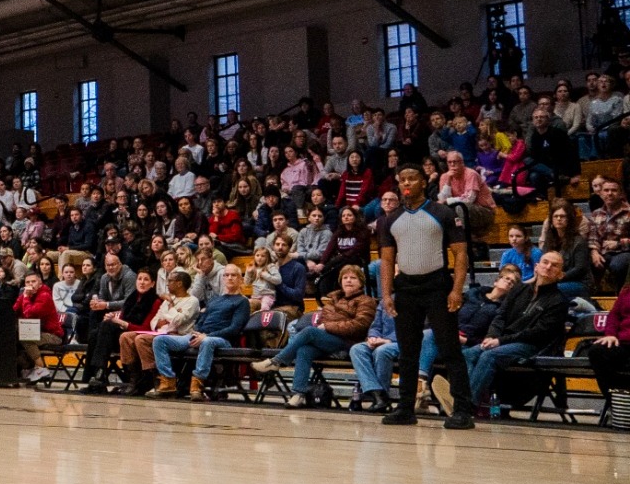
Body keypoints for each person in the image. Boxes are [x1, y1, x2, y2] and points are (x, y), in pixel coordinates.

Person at [376, 165, 473, 428]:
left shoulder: (442, 212)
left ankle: (462, 410)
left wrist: (457, 289)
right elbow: (386, 260)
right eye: (402, 179)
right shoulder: (389, 219)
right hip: (405, 288)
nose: (407, 183)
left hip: (438, 286)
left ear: (423, 182)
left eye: (412, 179)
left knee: (450, 348)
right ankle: (405, 408)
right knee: (407, 351)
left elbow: (460, 254)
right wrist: (386, 294)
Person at [457, 252, 568, 415]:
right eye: (545, 262)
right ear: (536, 267)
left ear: (561, 274)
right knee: (468, 354)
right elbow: (500, 316)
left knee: (489, 356)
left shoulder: (559, 301)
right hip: (504, 341)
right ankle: (469, 399)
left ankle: (467, 406)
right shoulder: (519, 290)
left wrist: (500, 341)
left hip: (532, 346)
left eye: (555, 265)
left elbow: (538, 333)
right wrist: (491, 336)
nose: (548, 267)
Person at [253, 265, 375, 406]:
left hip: (349, 344)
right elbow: (323, 321)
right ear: (340, 281)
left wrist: (329, 327)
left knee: (309, 331)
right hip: (328, 341)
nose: (348, 281)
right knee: (303, 350)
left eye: (353, 278)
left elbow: (359, 326)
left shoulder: (366, 301)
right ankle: (298, 395)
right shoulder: (332, 301)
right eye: (345, 278)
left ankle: (276, 362)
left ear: (361, 282)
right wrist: (327, 328)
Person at [151, 264, 248, 400]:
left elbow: (234, 329)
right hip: (199, 335)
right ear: (222, 278)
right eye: (226, 275)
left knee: (207, 342)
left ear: (240, 279)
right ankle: (168, 382)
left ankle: (197, 386)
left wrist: (206, 336)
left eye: (233, 275)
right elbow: (201, 320)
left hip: (223, 339)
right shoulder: (215, 300)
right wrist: (196, 332)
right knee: (160, 340)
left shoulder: (242, 302)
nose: (229, 278)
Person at [119, 271, 198, 396]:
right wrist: (167, 318)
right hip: (161, 332)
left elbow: (178, 321)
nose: (167, 284)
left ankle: (154, 379)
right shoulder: (166, 301)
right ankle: (134, 379)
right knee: (125, 337)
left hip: (179, 335)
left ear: (179, 284)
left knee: (141, 339)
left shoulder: (192, 301)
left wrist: (170, 310)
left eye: (170, 281)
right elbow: (154, 322)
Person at [581, 293, 630, 430]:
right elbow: (614, 316)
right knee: (597, 352)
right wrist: (610, 334)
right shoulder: (626, 292)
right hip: (622, 342)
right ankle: (616, 403)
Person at [12, 270, 63, 381]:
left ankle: (41, 368)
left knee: (25, 336)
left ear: (40, 283)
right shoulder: (25, 295)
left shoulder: (45, 296)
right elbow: (13, 310)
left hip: (53, 335)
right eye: (28, 282)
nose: (30, 284)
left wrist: (25, 298)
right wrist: (23, 298)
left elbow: (30, 314)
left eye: (33, 281)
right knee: (12, 337)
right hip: (36, 332)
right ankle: (25, 368)